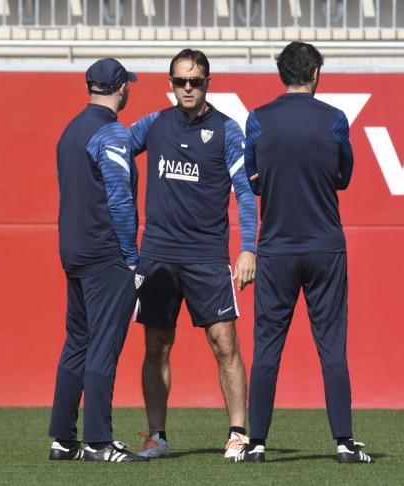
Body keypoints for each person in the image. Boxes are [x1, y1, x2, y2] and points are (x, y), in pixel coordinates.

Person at [236, 42, 373, 464]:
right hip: (325, 247)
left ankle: (256, 442)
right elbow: (344, 176)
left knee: (267, 349)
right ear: (314, 73)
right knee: (331, 347)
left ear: (283, 74)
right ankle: (345, 443)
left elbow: (253, 179)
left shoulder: (257, 119)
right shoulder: (334, 119)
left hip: (276, 248)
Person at [128, 49, 257, 459]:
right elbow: (111, 153)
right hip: (159, 255)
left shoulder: (227, 130)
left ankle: (238, 434)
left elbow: (246, 194)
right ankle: (156, 437)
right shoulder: (153, 124)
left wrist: (248, 247)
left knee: (225, 344)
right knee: (156, 346)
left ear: (208, 83)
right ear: (170, 83)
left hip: (206, 256)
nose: (187, 88)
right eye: (180, 81)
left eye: (195, 81)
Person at [47, 58, 147, 463]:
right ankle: (98, 442)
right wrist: (131, 258)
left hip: (73, 251)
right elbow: (120, 200)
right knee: (103, 347)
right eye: (129, 86)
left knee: (77, 344)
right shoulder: (112, 133)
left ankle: (63, 439)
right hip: (106, 253)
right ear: (121, 88)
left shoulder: (70, 131)